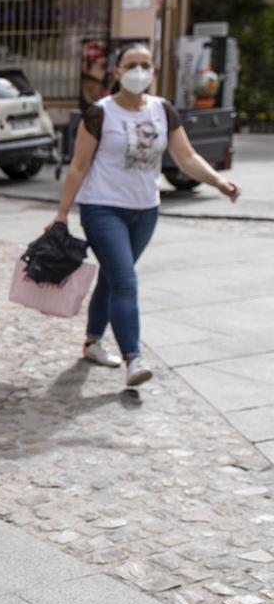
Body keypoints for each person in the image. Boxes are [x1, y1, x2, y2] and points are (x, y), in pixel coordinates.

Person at [53, 43, 240, 387]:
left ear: (153, 72)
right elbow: (79, 166)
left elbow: (185, 157)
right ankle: (133, 359)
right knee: (125, 281)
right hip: (102, 209)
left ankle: (93, 342)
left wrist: (218, 181)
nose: (138, 70)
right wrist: (62, 213)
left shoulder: (162, 110)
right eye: (131, 64)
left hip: (145, 211)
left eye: (145, 65)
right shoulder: (100, 113)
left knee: (112, 278)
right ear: (117, 72)